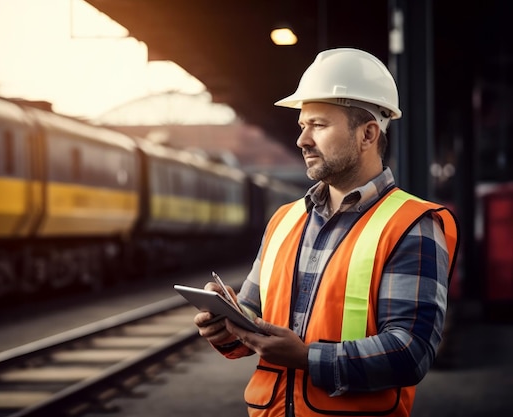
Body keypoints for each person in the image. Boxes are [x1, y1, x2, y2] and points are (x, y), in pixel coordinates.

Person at [193, 47, 459, 417]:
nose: (303, 140)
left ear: (368, 134)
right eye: (302, 126)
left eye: (318, 125)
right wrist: (226, 324)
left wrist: (306, 358)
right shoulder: (284, 220)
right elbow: (252, 321)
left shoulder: (412, 224)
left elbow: (410, 353)